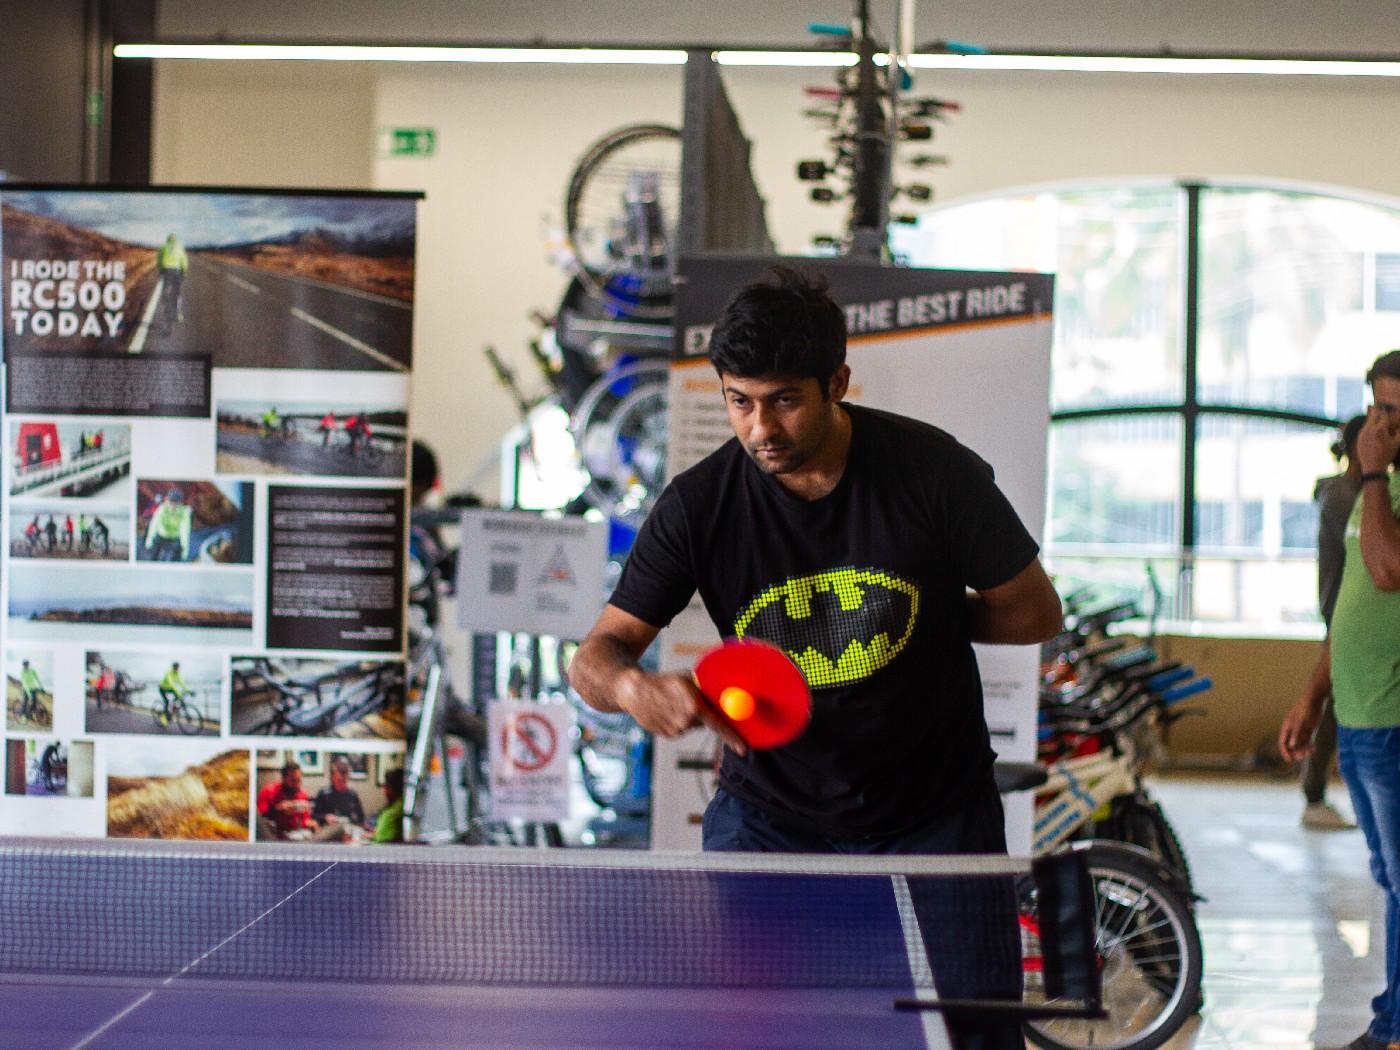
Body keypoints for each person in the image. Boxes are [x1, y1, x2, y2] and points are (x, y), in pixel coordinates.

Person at [567, 266, 1062, 1050]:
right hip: (770, 818)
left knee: (973, 1037)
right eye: (739, 401)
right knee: (766, 1036)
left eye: (784, 400)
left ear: (837, 382)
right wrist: (629, 685)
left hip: (934, 815)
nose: (760, 427)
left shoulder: (934, 474)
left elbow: (1034, 611)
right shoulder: (699, 503)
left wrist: (918, 618)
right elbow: (594, 655)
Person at [1281, 349, 1400, 1050]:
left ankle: (1394, 1024)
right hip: (1357, 715)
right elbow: (1350, 605)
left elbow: (1387, 571)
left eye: (1395, 414)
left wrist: (1376, 475)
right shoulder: (1370, 494)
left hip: (1393, 718)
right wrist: (1311, 698)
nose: (1380, 426)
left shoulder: (1382, 488)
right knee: (1389, 878)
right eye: (1377, 409)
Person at [1301, 415, 1367, 830]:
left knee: (1337, 702)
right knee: (1334, 703)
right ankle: (1314, 794)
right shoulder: (1346, 496)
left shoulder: (1347, 492)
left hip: (1344, 606)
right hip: (1345, 607)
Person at [257, 761, 318, 840]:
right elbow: (259, 819)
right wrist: (277, 809)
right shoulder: (269, 792)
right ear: (283, 778)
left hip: (297, 836)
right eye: (293, 780)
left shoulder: (302, 794)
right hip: (274, 836)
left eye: (299, 780)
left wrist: (311, 823)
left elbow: (305, 820)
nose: (297, 784)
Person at [312, 756, 367, 830]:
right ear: (333, 777)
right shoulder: (324, 794)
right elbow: (314, 815)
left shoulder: (353, 795)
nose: (342, 784)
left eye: (344, 781)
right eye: (339, 780)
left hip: (349, 832)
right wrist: (325, 817)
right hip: (329, 833)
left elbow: (361, 818)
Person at [145, 487, 192, 562]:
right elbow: (154, 524)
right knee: (152, 556)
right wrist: (149, 540)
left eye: (176, 503)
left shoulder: (184, 512)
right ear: (168, 501)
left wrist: (185, 548)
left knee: (170, 559)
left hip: (174, 538)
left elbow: (185, 530)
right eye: (171, 502)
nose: (173, 506)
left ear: (180, 503)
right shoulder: (162, 509)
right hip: (161, 535)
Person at [157, 232, 189, 325]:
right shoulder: (179, 247)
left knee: (165, 291)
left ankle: (166, 306)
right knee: (177, 292)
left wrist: (160, 270)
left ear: (167, 240)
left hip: (166, 271)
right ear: (176, 240)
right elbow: (184, 261)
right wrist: (184, 272)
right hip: (176, 272)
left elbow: (159, 260)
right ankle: (178, 313)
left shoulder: (163, 247)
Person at [371, 767, 404, 843]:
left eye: (386, 787)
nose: (384, 792)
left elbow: (382, 839)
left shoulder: (396, 810)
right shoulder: (395, 807)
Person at [156, 661, 191, 727]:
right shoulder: (168, 673)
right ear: (174, 667)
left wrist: (188, 690)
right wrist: (178, 692)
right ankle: (164, 718)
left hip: (170, 688)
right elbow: (172, 683)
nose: (178, 669)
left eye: (179, 668)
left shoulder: (177, 674)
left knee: (178, 699)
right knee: (166, 702)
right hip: (163, 688)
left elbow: (181, 682)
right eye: (177, 668)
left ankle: (172, 712)